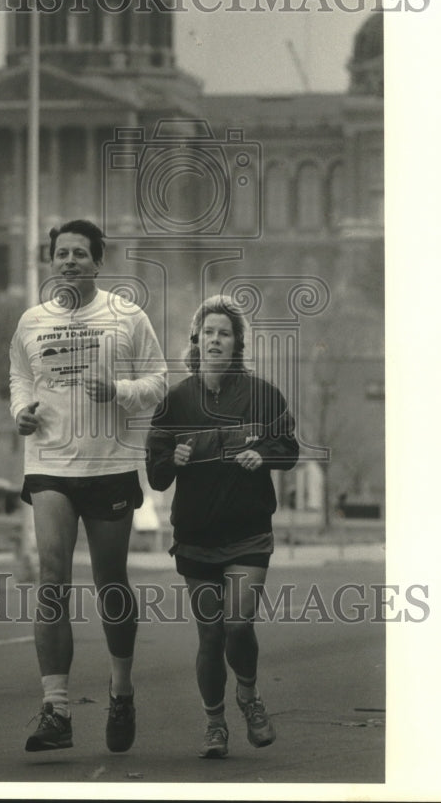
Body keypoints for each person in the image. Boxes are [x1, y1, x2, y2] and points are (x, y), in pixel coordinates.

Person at [9, 219, 167, 753]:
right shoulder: (32, 320)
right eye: (61, 253)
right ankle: (56, 710)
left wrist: (118, 390)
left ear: (98, 261)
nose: (70, 261)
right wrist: (20, 411)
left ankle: (121, 692)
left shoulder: (127, 316)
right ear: (51, 262)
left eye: (80, 253)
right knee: (52, 579)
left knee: (110, 583)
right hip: (49, 463)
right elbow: (20, 376)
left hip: (108, 468)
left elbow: (158, 382)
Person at [145, 294, 298, 759]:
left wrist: (263, 454)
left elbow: (289, 450)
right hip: (196, 536)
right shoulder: (175, 402)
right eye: (208, 332)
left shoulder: (264, 395)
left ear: (237, 344)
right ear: (197, 340)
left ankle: (249, 697)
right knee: (210, 634)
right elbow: (156, 474)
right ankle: (215, 724)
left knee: (237, 624)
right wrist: (175, 456)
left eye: (224, 333)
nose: (215, 339)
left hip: (249, 533)